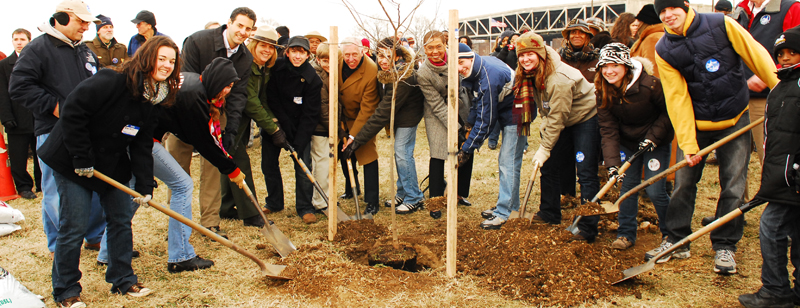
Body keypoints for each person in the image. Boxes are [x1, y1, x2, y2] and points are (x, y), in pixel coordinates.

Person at [38, 32, 182, 308]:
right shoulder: (113, 80)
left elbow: (141, 142)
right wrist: (81, 157)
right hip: (72, 157)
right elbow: (73, 111)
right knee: (75, 224)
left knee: (120, 218)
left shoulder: (155, 97)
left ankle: (123, 279)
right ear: (147, 57)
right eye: (161, 58)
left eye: (172, 61)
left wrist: (143, 184)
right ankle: (66, 290)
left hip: (110, 162)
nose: (166, 65)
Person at [645, 0, 779, 275]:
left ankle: (725, 245)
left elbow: (757, 56)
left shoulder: (722, 24)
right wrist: (689, 143)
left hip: (735, 118)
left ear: (685, 6)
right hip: (696, 123)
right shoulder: (664, 49)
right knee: (683, 182)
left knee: (732, 184)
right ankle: (676, 239)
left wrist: (780, 90)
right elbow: (676, 97)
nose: (668, 15)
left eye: (672, 8)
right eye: (662, 11)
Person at [9, 0, 107, 257]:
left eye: (88, 22)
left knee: (94, 184)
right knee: (55, 190)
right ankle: (59, 244)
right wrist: (55, 106)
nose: (86, 27)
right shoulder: (37, 48)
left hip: (87, 131)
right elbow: (19, 86)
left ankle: (95, 236)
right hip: (53, 131)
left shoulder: (85, 51)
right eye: (81, 21)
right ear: (60, 19)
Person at [147, 56, 245, 273]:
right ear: (215, 79)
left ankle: (107, 253)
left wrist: (228, 163)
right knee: (183, 185)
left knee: (134, 193)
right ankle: (180, 256)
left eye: (231, 86)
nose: (227, 91)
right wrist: (231, 168)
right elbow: (203, 141)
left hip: (144, 136)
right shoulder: (193, 95)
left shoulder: (194, 83)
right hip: (144, 140)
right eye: (225, 85)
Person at [170, 7, 255, 237]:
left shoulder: (245, 57)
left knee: (213, 167)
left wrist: (231, 130)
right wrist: (196, 125)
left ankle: (210, 222)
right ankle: (177, 222)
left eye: (248, 28)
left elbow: (238, 96)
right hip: (185, 110)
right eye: (240, 25)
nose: (243, 32)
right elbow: (186, 81)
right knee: (178, 168)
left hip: (217, 112)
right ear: (229, 23)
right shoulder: (198, 41)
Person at [738, 25, 800, 308]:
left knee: (772, 227)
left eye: (793, 52)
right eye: (781, 53)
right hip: (783, 175)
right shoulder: (782, 85)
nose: (785, 58)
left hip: (793, 175)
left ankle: (776, 289)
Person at [517, 32, 600, 241]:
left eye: (530, 54)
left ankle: (587, 226)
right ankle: (549, 213)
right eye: (521, 55)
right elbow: (547, 107)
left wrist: (544, 148)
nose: (525, 59)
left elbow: (558, 118)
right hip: (563, 116)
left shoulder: (559, 78)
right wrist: (545, 123)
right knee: (549, 165)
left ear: (540, 54)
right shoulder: (531, 73)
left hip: (585, 117)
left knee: (585, 170)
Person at [594, 43, 673, 250]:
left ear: (626, 66)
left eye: (614, 65)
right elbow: (608, 130)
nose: (609, 71)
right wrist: (612, 164)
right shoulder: (603, 90)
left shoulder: (650, 85)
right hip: (628, 144)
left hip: (655, 142)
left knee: (655, 190)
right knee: (627, 188)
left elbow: (668, 113)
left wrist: (653, 138)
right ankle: (626, 234)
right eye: (604, 66)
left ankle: (670, 234)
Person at [342, 37, 425, 214]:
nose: (382, 60)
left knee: (402, 152)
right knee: (398, 153)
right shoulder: (384, 71)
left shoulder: (403, 74)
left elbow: (382, 111)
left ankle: (414, 197)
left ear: (397, 55)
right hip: (397, 115)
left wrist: (357, 140)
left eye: (388, 55)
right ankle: (402, 192)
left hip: (408, 117)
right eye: (380, 55)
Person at [453, 43, 524, 230]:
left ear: (471, 57)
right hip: (506, 106)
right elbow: (478, 102)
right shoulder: (478, 69)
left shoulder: (487, 76)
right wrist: (469, 124)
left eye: (461, 62)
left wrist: (467, 148)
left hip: (518, 110)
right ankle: (509, 206)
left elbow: (486, 118)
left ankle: (504, 212)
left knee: (508, 162)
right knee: (509, 163)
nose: (460, 69)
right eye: (456, 65)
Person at [262, 36, 322, 223]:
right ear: (287, 52)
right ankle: (274, 202)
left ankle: (304, 206)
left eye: (301, 52)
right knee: (268, 164)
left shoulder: (313, 79)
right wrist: (278, 128)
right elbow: (272, 98)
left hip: (299, 128)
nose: (297, 56)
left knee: (303, 167)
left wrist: (299, 140)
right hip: (276, 123)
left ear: (307, 55)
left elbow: (310, 114)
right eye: (294, 51)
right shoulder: (276, 68)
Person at [733, 0, 800, 163]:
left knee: (770, 155)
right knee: (735, 160)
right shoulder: (740, 10)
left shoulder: (791, 8)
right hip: (737, 96)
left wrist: (772, 72)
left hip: (770, 97)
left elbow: (795, 52)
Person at [417, 31, 474, 219]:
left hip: (460, 105)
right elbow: (436, 103)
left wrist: (461, 125)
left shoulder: (455, 60)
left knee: (466, 148)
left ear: (445, 45)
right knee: (438, 153)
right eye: (430, 47)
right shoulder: (424, 73)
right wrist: (454, 127)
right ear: (424, 49)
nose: (435, 51)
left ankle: (458, 193)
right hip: (437, 112)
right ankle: (435, 200)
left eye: (438, 47)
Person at [237, 26, 281, 217]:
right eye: (263, 45)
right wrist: (273, 129)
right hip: (233, 120)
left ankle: (227, 206)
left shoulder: (263, 69)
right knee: (239, 162)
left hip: (245, 122)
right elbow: (251, 102)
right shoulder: (245, 66)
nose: (267, 50)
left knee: (232, 160)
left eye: (271, 48)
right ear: (253, 45)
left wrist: (273, 121)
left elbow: (262, 99)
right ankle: (251, 213)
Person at [337, 37, 380, 216]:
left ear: (363, 51)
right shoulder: (338, 61)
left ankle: (372, 200)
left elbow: (368, 108)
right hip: (341, 117)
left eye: (355, 54)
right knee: (344, 155)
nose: (351, 59)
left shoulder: (371, 70)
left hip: (361, 118)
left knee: (367, 156)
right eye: (347, 54)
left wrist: (354, 137)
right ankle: (351, 188)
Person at [0, 28, 40, 200]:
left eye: (22, 39)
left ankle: (42, 184)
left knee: (41, 154)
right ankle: (24, 187)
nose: (19, 42)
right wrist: (6, 117)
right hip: (16, 118)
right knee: (18, 157)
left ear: (29, 41)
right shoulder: (4, 65)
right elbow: (2, 93)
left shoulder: (38, 61)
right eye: (15, 39)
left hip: (37, 116)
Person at [309, 42, 337, 212]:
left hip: (328, 126)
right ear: (318, 60)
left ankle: (326, 196)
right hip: (320, 127)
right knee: (321, 163)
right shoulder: (317, 77)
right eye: (325, 60)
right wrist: (332, 128)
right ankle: (320, 200)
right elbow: (322, 106)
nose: (328, 64)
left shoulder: (330, 74)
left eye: (331, 60)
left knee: (327, 163)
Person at [631, 4, 666, 78]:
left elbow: (654, 71)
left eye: (639, 20)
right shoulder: (655, 36)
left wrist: (651, 88)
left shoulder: (652, 39)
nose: (636, 23)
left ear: (646, 22)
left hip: (649, 87)